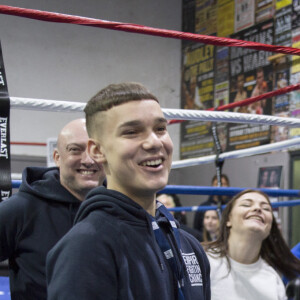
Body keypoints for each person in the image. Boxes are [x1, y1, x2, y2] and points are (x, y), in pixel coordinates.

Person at [46, 82, 211, 300]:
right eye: (132, 132)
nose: (154, 142)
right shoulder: (86, 247)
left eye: (160, 128)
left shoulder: (188, 246)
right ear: (97, 151)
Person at [0, 119, 105, 300]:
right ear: (57, 157)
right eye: (75, 149)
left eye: (95, 150)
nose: (88, 160)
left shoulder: (119, 208)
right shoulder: (21, 209)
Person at [203, 189, 300, 300]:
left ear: (270, 227)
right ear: (228, 219)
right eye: (246, 204)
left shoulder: (272, 279)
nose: (257, 209)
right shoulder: (204, 262)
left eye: (266, 209)